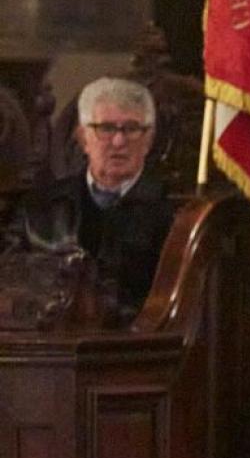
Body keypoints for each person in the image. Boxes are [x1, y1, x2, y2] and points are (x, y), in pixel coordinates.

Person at [3, 77, 174, 317]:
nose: (118, 141)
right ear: (83, 138)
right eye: (105, 128)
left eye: (132, 129)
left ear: (148, 140)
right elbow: (9, 278)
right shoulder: (39, 207)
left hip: (131, 346)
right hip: (47, 341)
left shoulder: (173, 215)